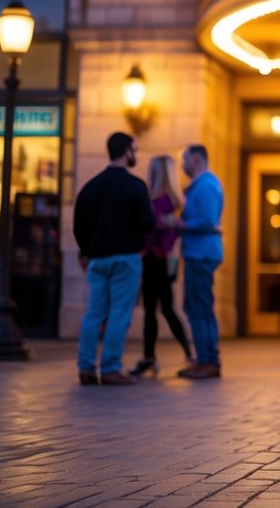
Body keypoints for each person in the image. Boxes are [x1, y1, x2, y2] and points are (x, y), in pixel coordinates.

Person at [73, 132, 153, 386]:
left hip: (97, 259)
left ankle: (85, 367)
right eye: (134, 150)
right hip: (126, 258)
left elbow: (78, 225)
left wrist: (85, 250)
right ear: (127, 151)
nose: (136, 155)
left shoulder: (91, 187)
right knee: (120, 313)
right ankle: (110, 367)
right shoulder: (136, 186)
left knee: (94, 313)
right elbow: (147, 223)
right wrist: (139, 244)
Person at [130, 155, 193, 378]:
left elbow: (150, 231)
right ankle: (183, 352)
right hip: (167, 260)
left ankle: (151, 356)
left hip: (154, 260)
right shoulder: (176, 201)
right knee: (165, 308)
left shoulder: (157, 201)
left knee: (154, 310)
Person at [175, 144, 225, 380]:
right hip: (198, 252)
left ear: (195, 160)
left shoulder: (206, 185)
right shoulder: (202, 185)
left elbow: (208, 219)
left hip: (201, 253)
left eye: (184, 160)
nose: (182, 165)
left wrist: (180, 224)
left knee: (200, 308)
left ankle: (208, 360)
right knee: (196, 307)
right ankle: (204, 358)